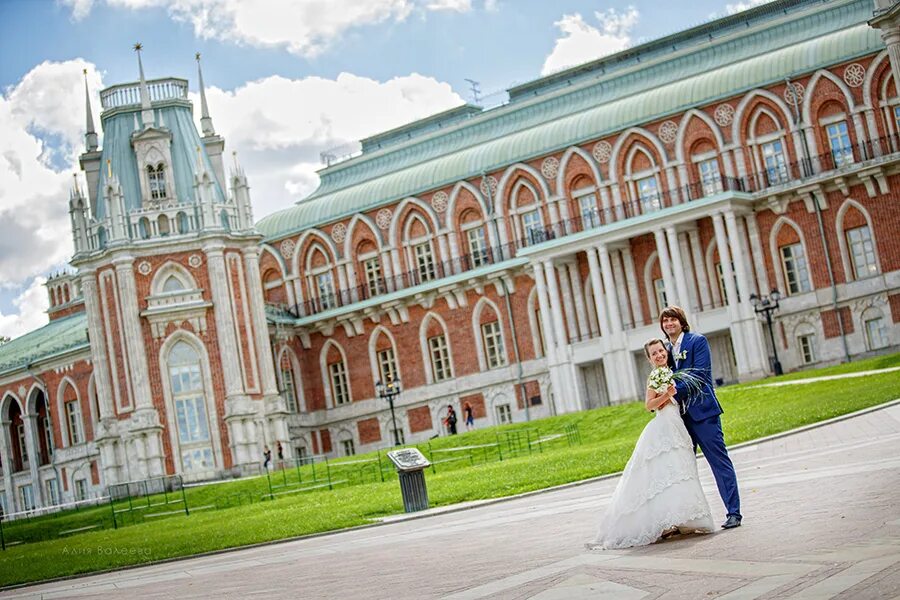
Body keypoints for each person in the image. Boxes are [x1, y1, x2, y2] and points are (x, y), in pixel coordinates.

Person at [589, 339, 714, 549]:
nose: (659, 355)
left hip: (677, 425)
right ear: (649, 359)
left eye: (660, 351)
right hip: (664, 425)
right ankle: (664, 522)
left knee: (679, 471)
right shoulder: (655, 376)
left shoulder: (673, 371)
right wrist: (667, 394)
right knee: (666, 471)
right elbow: (649, 405)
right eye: (654, 353)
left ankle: (682, 518)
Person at [660, 305, 742, 530]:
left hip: (703, 414)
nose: (669, 324)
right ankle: (684, 520)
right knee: (682, 469)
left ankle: (734, 513)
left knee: (719, 462)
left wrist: (673, 390)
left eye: (673, 320)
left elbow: (701, 375)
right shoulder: (665, 350)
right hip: (680, 419)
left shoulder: (697, 342)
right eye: (665, 321)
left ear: (681, 322)